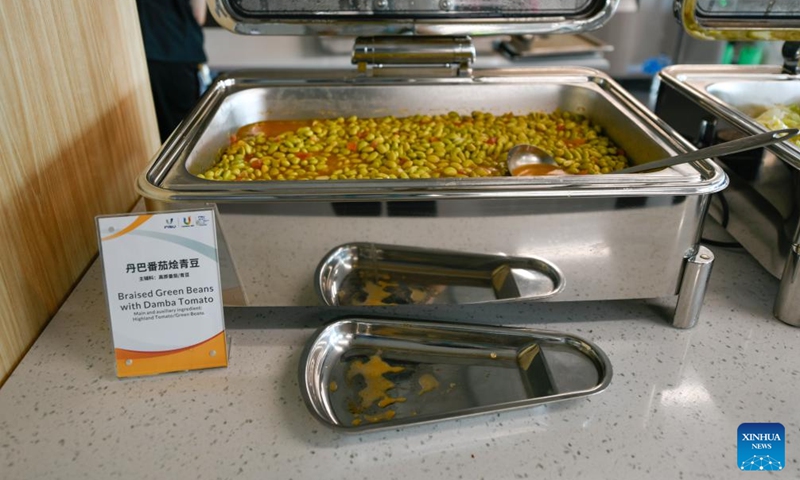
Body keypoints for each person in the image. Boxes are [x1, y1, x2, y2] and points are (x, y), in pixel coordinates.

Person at [136, 0, 208, 143]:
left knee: (148, 131)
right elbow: (199, 15)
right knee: (182, 134)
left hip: (141, 52)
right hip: (178, 49)